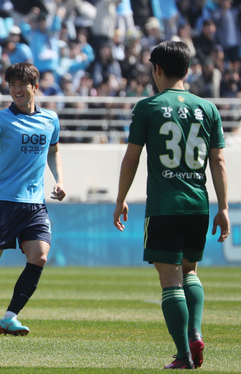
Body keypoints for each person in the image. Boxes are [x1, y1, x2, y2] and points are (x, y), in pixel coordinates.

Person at [113, 41, 230, 370]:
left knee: (170, 280)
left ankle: (183, 355)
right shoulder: (208, 109)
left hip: (164, 206)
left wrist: (121, 199)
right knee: (191, 271)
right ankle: (195, 330)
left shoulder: (148, 107)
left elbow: (131, 158)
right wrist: (222, 207)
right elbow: (218, 162)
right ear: (189, 70)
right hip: (198, 204)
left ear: (157, 70)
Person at [0, 62, 65, 336]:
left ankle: (9, 317)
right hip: (5, 200)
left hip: (35, 203)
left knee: (40, 256)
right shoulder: (2, 118)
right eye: (12, 85)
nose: (16, 90)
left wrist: (60, 181)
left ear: (35, 87)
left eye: (22, 85)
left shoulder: (50, 119)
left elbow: (53, 151)